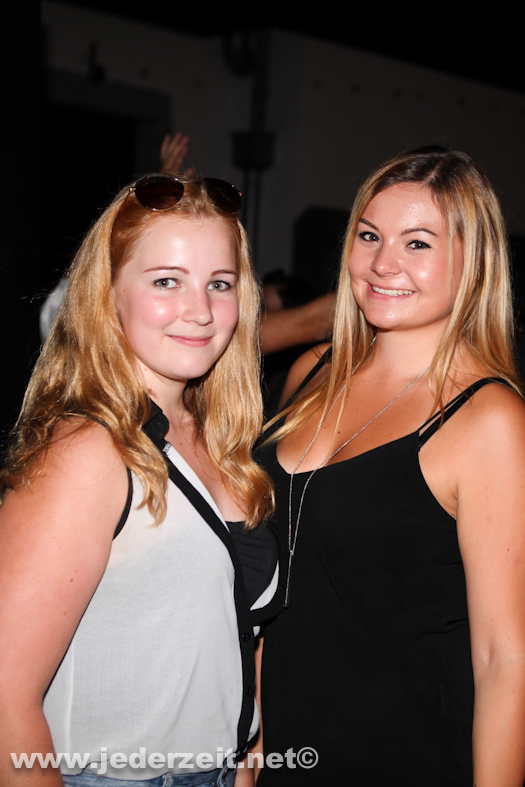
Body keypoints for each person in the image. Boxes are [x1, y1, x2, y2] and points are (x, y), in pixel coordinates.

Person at [256, 146, 525, 786]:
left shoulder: (489, 421)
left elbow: (504, 658)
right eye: (369, 235)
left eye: (418, 243)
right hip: (280, 750)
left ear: (474, 263)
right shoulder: (311, 373)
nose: (383, 263)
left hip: (405, 756)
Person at [0, 173, 278, 787]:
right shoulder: (87, 452)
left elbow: (241, 638)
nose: (200, 310)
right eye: (166, 281)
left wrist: (246, 766)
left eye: (220, 283)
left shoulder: (224, 445)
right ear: (108, 294)